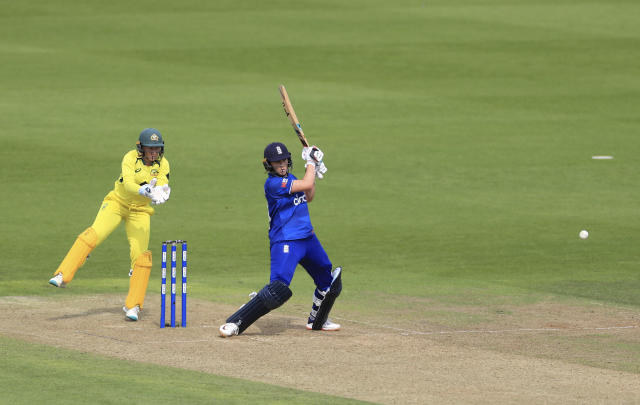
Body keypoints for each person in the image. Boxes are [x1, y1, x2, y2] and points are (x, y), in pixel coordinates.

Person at [219, 142, 342, 337]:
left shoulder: (291, 178)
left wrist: (314, 169)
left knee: (329, 282)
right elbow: (306, 184)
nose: (282, 164)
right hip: (285, 241)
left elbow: (308, 195)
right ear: (269, 164)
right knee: (277, 290)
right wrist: (310, 162)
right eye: (277, 162)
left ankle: (317, 320)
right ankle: (237, 321)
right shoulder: (273, 184)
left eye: (284, 159)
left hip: (307, 239)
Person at [48, 128, 171, 322]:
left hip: (140, 212)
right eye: (150, 148)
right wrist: (144, 189)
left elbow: (163, 182)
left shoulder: (163, 164)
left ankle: (133, 306)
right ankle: (63, 274)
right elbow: (129, 184)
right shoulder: (130, 158)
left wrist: (162, 191)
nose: (154, 152)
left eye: (157, 148)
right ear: (141, 148)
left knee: (141, 256)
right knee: (94, 234)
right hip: (117, 203)